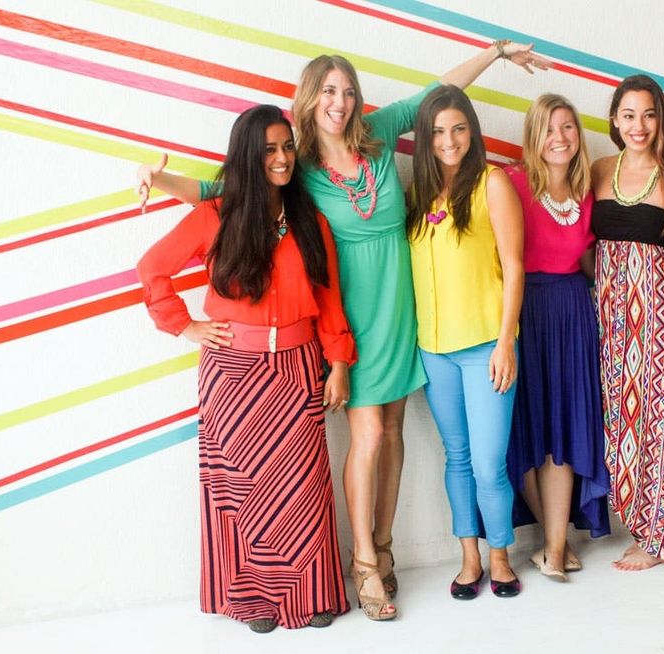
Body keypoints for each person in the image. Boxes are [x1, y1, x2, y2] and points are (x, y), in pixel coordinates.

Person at [135, 43, 549, 619]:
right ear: (311, 98)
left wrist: (495, 53)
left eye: (348, 91)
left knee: (395, 431)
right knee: (369, 435)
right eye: (329, 91)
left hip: (402, 305)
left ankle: (384, 544)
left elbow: (437, 94)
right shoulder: (297, 163)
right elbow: (221, 192)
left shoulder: (377, 133)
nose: (340, 101)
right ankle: (364, 564)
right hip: (347, 311)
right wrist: (161, 181)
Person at [136, 105, 356, 632]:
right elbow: (152, 267)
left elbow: (329, 299)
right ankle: (252, 600)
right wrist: (184, 325)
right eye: (269, 150)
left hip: (299, 368)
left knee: (303, 487)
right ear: (247, 157)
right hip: (232, 373)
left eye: (287, 147)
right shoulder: (216, 216)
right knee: (240, 491)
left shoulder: (311, 222)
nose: (281, 158)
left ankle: (311, 594)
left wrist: (339, 363)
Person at [407, 85, 524, 599]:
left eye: (458, 128)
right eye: (438, 131)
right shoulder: (419, 195)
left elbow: (515, 266)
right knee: (456, 457)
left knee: (487, 463)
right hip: (434, 350)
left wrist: (506, 343)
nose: (449, 140)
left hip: (485, 348)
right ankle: (469, 557)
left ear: (472, 132)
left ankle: (500, 556)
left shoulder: (492, 183)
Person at [590, 74, 664, 571]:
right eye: (629, 115)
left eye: (649, 115)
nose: (639, 125)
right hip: (609, 323)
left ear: (662, 121)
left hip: (661, 320)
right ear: (615, 120)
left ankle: (661, 540)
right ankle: (640, 525)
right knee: (621, 427)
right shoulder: (598, 170)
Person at [505, 94, 610, 582]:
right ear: (534, 136)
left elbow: (588, 263)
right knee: (528, 429)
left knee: (565, 430)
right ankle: (554, 543)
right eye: (549, 128)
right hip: (525, 310)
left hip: (572, 314)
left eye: (567, 127)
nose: (559, 137)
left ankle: (552, 548)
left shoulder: (587, 192)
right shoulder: (512, 183)